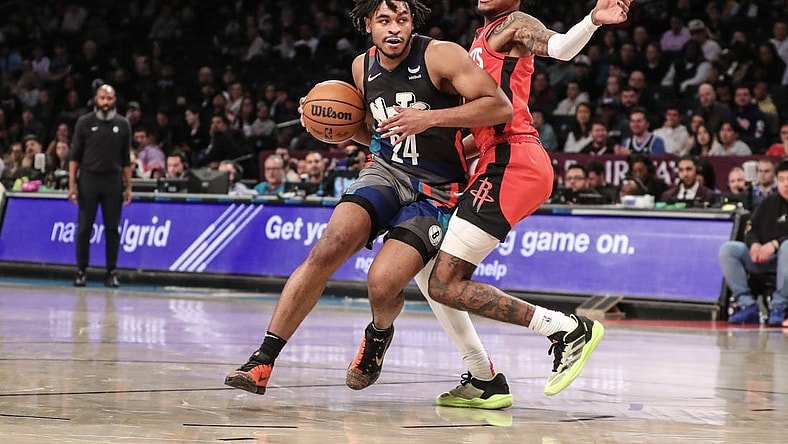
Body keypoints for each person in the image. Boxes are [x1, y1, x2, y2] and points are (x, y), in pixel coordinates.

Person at [225, 0, 515, 409]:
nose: (394, 28)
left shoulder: (441, 55)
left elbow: (501, 106)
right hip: (385, 171)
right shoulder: (362, 68)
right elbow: (373, 132)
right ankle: (262, 361)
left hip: (436, 189)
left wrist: (429, 118)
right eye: (384, 20)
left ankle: (378, 335)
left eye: (402, 20)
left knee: (383, 282)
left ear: (414, 23)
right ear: (367, 25)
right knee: (329, 245)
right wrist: (325, 126)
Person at [426, 0, 631, 398]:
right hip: (495, 158)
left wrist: (591, 19)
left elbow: (562, 48)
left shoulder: (514, 24)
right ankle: (483, 380)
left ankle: (568, 330)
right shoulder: (479, 40)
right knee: (438, 276)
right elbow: (477, 130)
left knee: (445, 282)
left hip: (512, 160)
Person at [68, 84, 132, 288]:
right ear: (96, 99)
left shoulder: (123, 124)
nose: (106, 103)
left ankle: (111, 272)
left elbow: (126, 160)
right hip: (88, 180)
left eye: (110, 99)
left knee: (112, 229)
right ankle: (81, 271)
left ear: (115, 100)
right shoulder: (84, 122)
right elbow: (74, 156)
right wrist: (72, 185)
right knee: (85, 228)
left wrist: (128, 186)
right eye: (102, 98)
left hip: (113, 181)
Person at [720, 159, 788, 327]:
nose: (786, 185)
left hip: (784, 258)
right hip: (763, 259)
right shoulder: (767, 202)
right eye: (781, 180)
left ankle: (779, 307)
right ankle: (746, 303)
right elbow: (750, 228)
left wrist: (774, 244)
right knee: (729, 249)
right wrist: (755, 244)